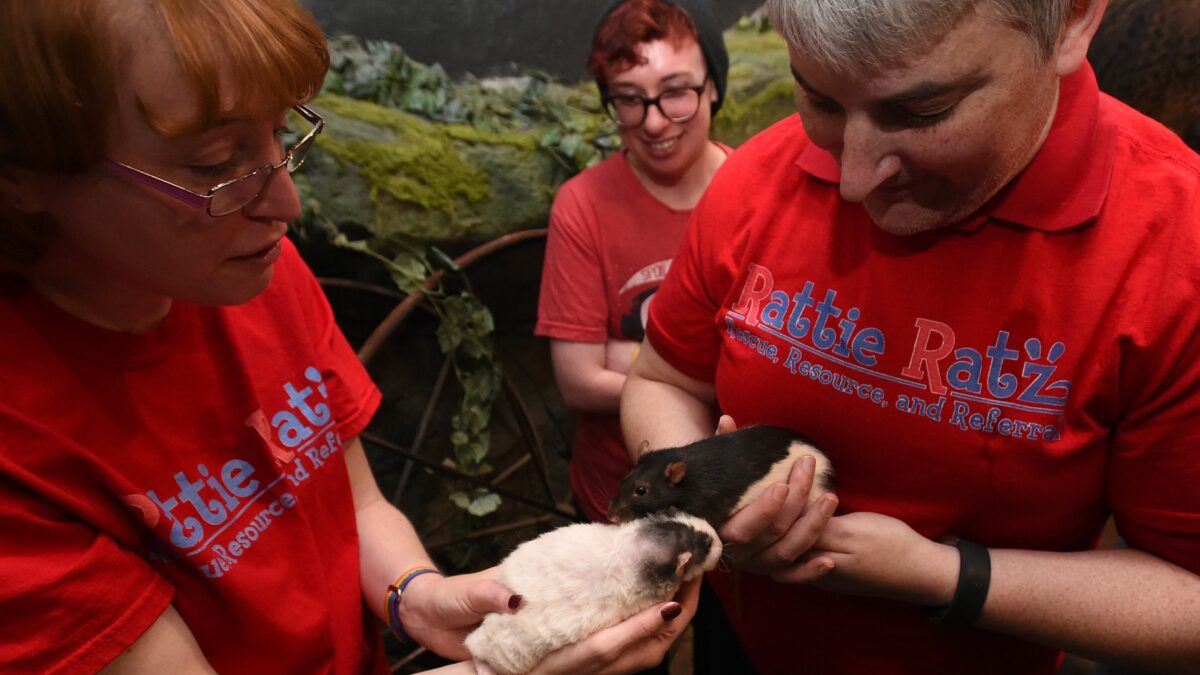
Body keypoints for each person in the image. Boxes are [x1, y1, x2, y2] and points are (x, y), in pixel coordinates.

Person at [0, 1, 698, 673]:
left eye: (283, 134)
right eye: (216, 164)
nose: (285, 205)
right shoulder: (22, 438)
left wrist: (415, 594)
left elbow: (357, 502)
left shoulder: (255, 274)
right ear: (22, 176)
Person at [620, 0, 1200, 673]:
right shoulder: (756, 176)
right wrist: (697, 502)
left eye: (924, 112)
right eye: (822, 100)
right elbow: (663, 377)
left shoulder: (1173, 247)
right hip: (742, 639)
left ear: (1070, 20)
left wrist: (945, 576)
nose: (856, 181)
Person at [536, 0, 731, 526]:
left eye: (675, 93)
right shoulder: (583, 205)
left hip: (733, 500)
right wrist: (708, 369)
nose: (653, 122)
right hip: (618, 502)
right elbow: (578, 381)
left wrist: (639, 362)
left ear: (712, 85)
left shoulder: (752, 192)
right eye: (628, 100)